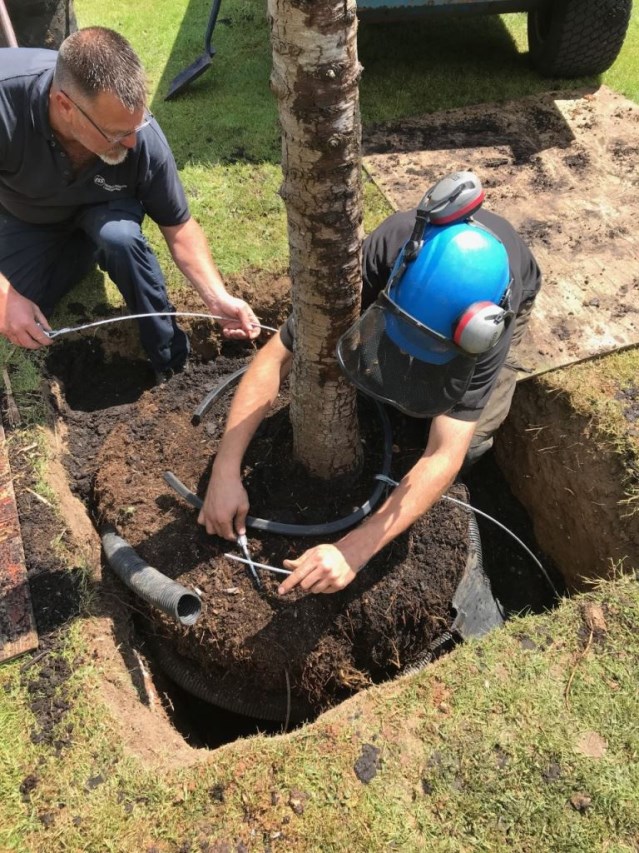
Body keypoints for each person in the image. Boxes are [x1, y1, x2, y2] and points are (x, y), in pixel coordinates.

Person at [197, 171, 542, 595]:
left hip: (498, 301)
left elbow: (447, 452)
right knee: (360, 362)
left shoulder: (488, 331)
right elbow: (275, 357)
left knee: (471, 441)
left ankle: (417, 498)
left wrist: (353, 549)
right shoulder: (384, 253)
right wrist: (225, 471)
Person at [0, 27, 259, 380]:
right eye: (116, 133)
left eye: (136, 125)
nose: (133, 142)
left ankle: (170, 360)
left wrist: (216, 297)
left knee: (120, 240)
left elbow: (179, 227)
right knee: (20, 310)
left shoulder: (141, 138)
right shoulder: (5, 105)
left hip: (105, 209)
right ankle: (78, 251)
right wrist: (5, 297)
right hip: (28, 216)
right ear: (65, 106)